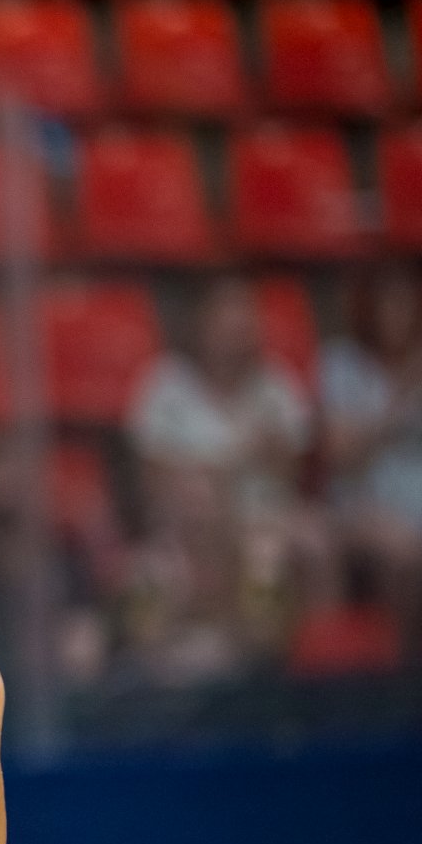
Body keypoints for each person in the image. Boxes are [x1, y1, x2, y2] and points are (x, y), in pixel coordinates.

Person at [125, 276, 328, 683]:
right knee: (153, 577)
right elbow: (154, 477)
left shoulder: (275, 385)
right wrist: (239, 461)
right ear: (200, 322)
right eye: (226, 313)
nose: (238, 324)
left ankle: (321, 672)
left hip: (265, 522)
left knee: (304, 546)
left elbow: (293, 470)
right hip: (188, 530)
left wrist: (211, 466)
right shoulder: (165, 387)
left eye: (245, 314)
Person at [320, 264, 422, 650]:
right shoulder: (342, 364)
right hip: (365, 503)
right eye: (388, 303)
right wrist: (397, 401)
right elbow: (340, 456)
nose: (397, 313)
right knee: (404, 553)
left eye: (406, 303)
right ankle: (407, 664)